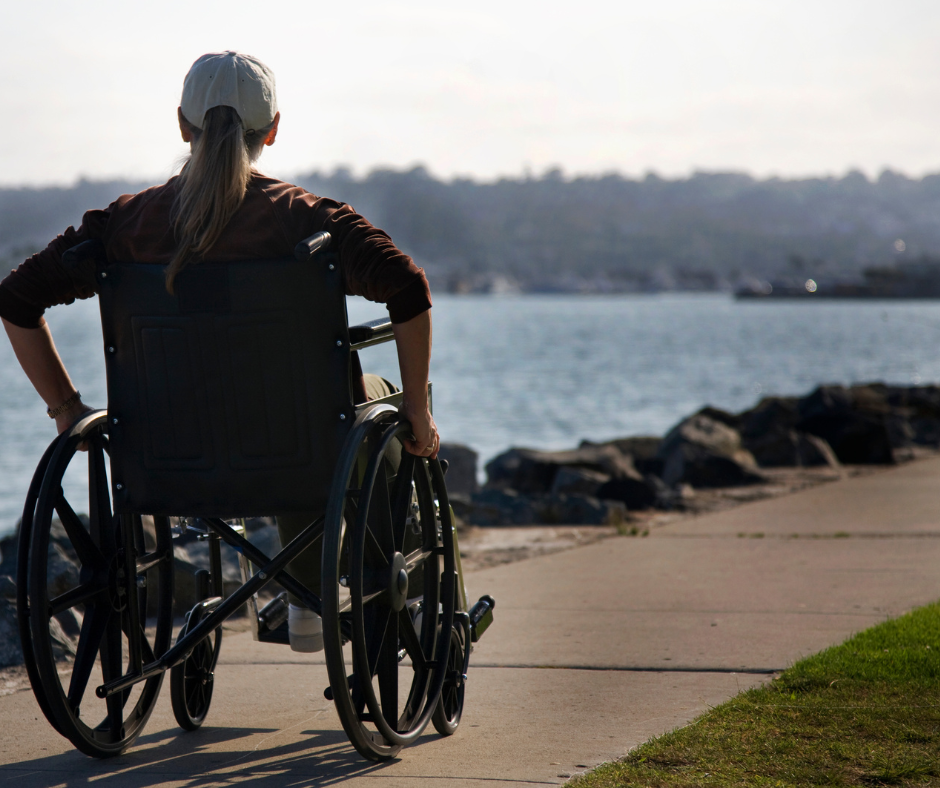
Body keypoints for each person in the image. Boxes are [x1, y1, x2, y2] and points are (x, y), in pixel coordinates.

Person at [0, 51, 440, 653]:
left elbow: (16, 300)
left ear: (182, 125)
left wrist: (67, 410)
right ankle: (365, 593)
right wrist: (416, 407)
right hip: (296, 452)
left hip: (167, 457)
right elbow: (409, 289)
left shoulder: (123, 225)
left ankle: (305, 592)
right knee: (378, 403)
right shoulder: (308, 220)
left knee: (319, 411)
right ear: (274, 129)